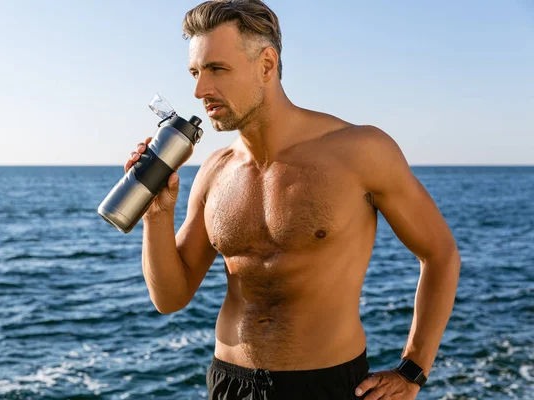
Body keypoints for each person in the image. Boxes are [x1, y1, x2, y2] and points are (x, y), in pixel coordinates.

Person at [124, 1, 461, 399]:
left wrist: (412, 370)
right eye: (196, 72)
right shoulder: (214, 171)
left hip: (329, 385)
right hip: (231, 384)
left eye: (217, 69)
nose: (199, 90)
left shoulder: (359, 151)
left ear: (267, 65)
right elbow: (170, 297)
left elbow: (440, 254)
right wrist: (156, 216)